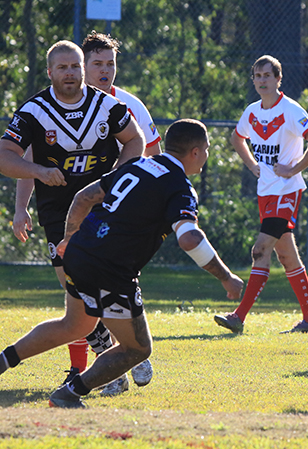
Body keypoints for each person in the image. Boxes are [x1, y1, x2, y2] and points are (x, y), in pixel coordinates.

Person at [0, 119, 243, 408]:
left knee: (74, 325)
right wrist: (226, 277)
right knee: (137, 349)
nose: (206, 156)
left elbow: (84, 197)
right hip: (109, 270)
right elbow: (190, 239)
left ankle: (3, 361)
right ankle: (68, 394)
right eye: (207, 149)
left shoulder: (137, 165)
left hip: (80, 253)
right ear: (195, 152)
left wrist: (69, 238)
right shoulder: (180, 187)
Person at [13, 32, 163, 397]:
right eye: (97, 64)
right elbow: (26, 159)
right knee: (76, 295)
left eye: (110, 64)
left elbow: (149, 151)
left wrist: (131, 192)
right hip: (59, 214)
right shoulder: (43, 109)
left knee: (113, 282)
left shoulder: (124, 106)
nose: (104, 71)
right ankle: (102, 365)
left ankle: (126, 355)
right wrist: (20, 207)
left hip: (108, 210)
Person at [213, 55, 308, 335]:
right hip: (265, 192)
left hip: (286, 191)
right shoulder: (252, 111)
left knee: (260, 250)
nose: (262, 80)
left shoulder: (291, 110)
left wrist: (293, 169)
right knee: (287, 257)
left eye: (267, 75)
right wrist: (252, 164)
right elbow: (236, 138)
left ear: (279, 79)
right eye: (257, 76)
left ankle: (238, 317)